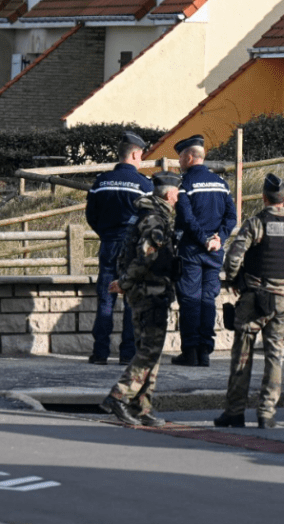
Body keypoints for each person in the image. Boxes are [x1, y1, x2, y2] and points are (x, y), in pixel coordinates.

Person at [214, 174, 284, 429]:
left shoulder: (256, 223)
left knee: (242, 356)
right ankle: (266, 413)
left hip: (254, 298)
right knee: (275, 356)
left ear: (264, 197)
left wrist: (232, 281)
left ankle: (234, 411)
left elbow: (232, 259)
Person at [101, 171, 182, 428]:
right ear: (170, 194)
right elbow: (146, 257)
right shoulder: (154, 220)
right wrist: (125, 282)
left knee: (149, 351)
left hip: (147, 292)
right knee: (149, 351)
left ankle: (142, 407)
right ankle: (120, 397)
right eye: (178, 193)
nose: (179, 198)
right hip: (151, 292)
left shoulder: (147, 215)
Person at [86, 131, 153, 365]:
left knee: (106, 299)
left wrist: (105, 234)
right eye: (141, 155)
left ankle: (100, 353)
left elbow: (91, 216)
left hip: (108, 245)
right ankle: (127, 354)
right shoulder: (145, 185)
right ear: (135, 154)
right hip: (131, 251)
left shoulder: (100, 182)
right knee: (130, 301)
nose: (142, 159)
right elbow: (150, 220)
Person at [170, 135, 237, 367]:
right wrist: (220, 238)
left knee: (190, 300)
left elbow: (186, 218)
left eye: (180, 157)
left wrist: (204, 239)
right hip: (215, 251)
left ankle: (190, 351)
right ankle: (205, 351)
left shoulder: (184, 185)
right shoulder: (221, 183)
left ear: (189, 157)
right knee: (208, 299)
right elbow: (231, 216)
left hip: (191, 250)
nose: (179, 162)